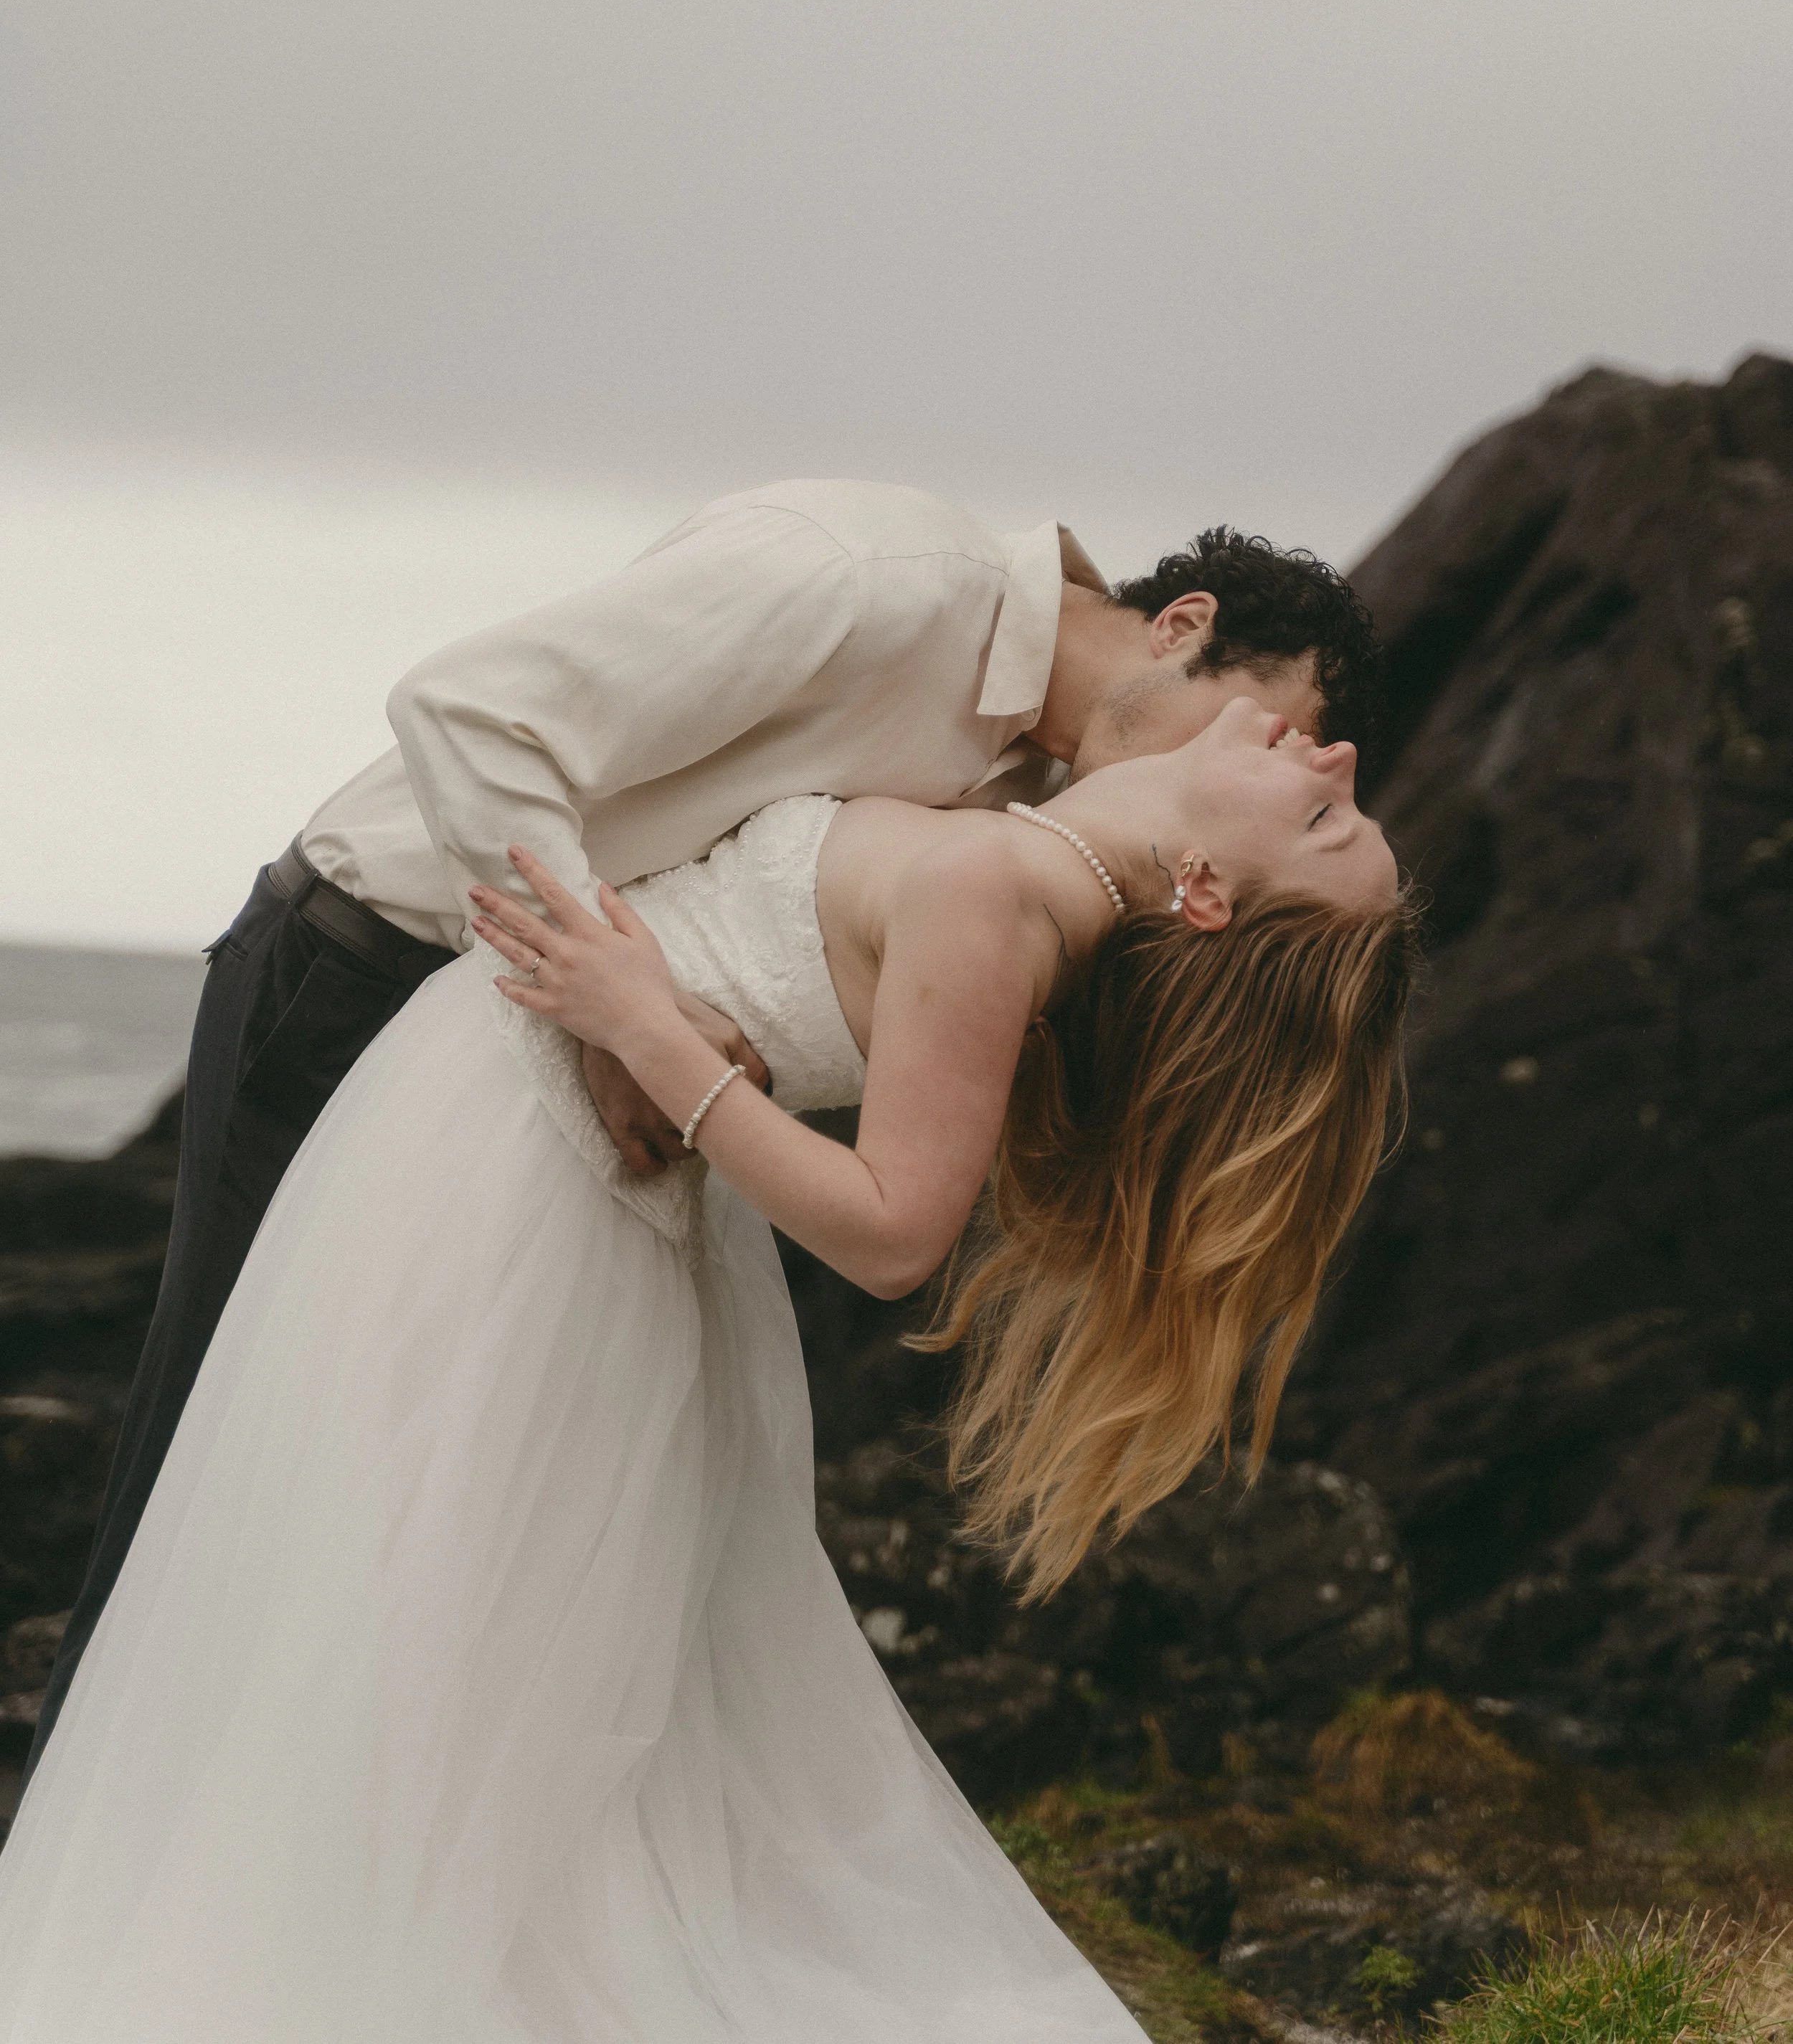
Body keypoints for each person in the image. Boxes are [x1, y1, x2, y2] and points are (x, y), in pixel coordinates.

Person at [0, 695, 1413, 2041]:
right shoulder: (1024, 841)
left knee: (424, 1634)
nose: (1339, 760)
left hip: (533, 1189)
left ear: (1212, 895)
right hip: (500, 1142)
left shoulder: (1000, 889)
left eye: (1327, 827)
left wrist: (647, 1028)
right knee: (417, 1637)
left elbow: (892, 1233)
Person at [28, 479, 1383, 1770]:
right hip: (364, 967)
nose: (1280, 749)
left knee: (378, 1543)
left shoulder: (1046, 839)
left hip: (529, 1114)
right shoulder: (871, 580)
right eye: (1267, 721)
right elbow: (471, 710)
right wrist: (628, 1011)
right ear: (1183, 627)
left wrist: (640, 1031)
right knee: (198, 1484)